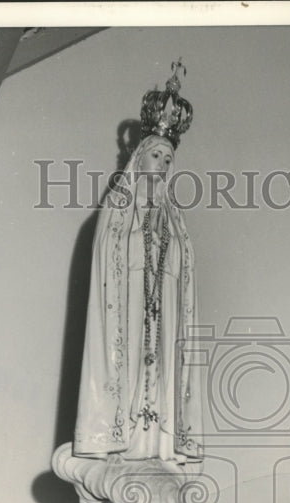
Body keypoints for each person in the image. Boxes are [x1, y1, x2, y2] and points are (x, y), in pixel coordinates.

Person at [73, 61, 201, 463]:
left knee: (161, 379)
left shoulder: (175, 221)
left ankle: (161, 446)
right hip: (126, 312)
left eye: (168, 158)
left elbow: (184, 276)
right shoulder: (117, 208)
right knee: (128, 376)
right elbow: (109, 261)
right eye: (156, 155)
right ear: (139, 157)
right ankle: (119, 442)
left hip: (162, 318)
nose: (162, 164)